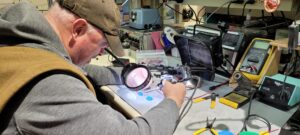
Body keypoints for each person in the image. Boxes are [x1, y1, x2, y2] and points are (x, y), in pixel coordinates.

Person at [0, 0, 186, 134]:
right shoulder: (51, 84)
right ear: (78, 29)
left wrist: (127, 75)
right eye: (102, 46)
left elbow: (80, 69)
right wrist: (172, 100)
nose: (100, 54)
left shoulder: (22, 43)